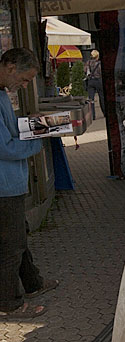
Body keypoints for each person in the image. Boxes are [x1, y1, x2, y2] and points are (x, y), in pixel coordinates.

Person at [0, 48, 59, 320]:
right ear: (10, 66)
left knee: (18, 235)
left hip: (11, 183)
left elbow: (12, 133)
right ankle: (9, 304)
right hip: (4, 186)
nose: (24, 86)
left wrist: (35, 127)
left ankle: (32, 283)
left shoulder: (2, 95)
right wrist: (37, 142)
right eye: (24, 79)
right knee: (11, 245)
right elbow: (5, 146)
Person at [84, 50, 105, 120]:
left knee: (91, 99)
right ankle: (104, 112)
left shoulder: (88, 62)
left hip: (90, 81)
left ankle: (93, 115)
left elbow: (84, 70)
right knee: (102, 97)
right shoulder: (99, 63)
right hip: (98, 81)